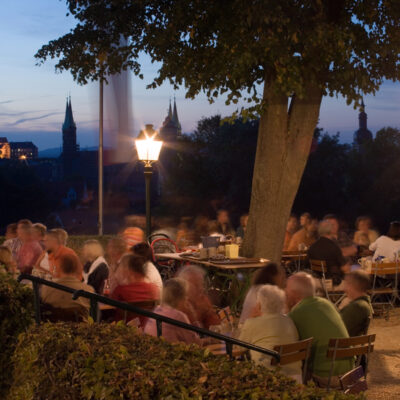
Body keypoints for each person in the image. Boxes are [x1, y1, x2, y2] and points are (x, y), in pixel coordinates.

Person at [286, 272, 353, 385]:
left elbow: (292, 347)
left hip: (327, 375)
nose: (284, 293)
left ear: (294, 294)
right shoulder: (327, 303)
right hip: (350, 371)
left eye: (286, 290)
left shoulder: (296, 313)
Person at [239, 285, 302, 383]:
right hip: (296, 378)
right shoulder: (289, 321)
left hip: (268, 379)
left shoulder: (252, 323)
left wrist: (250, 318)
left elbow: (239, 347)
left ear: (259, 305)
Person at [144, 278, 202, 345]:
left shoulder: (157, 309)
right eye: (186, 296)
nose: (187, 299)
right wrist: (192, 316)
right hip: (168, 352)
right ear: (181, 297)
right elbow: (196, 343)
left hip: (153, 349)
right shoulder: (178, 316)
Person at [111, 254, 160, 324]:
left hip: (123, 329)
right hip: (146, 329)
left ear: (130, 271)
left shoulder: (121, 290)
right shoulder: (154, 289)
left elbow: (110, 304)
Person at [176, 265, 221, 329]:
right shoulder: (178, 305)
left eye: (202, 284)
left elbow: (215, 326)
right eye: (196, 285)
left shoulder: (202, 299)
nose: (201, 289)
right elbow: (188, 333)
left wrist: (209, 313)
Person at [308, 220, 350, 286]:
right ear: (331, 230)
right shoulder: (333, 247)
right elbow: (344, 268)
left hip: (317, 281)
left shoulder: (312, 247)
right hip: (333, 282)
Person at [340, 271, 373, 337]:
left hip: (340, 344)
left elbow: (337, 328)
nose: (344, 288)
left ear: (355, 285)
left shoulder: (358, 307)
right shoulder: (364, 304)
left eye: (347, 284)